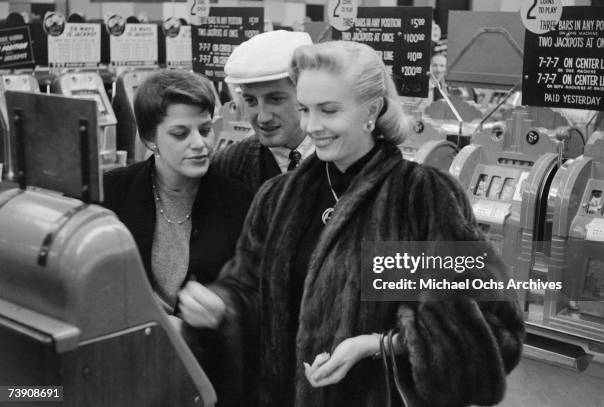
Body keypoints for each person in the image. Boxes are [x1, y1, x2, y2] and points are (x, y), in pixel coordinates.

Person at [193, 41, 525, 406]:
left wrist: (379, 345)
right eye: (304, 109)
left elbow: (495, 330)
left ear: (371, 111)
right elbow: (250, 291)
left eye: (329, 110)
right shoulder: (278, 198)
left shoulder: (421, 198)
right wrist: (219, 305)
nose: (312, 125)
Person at [102, 69, 251, 407]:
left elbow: (250, 289)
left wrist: (223, 307)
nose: (200, 144)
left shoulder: (239, 202)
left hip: (204, 379)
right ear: (150, 138)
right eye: (180, 133)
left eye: (205, 129)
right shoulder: (112, 193)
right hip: (127, 370)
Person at [212, 30, 315, 195]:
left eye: (275, 99)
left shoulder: (343, 157)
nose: (263, 117)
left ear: (306, 93)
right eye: (251, 101)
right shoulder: (228, 165)